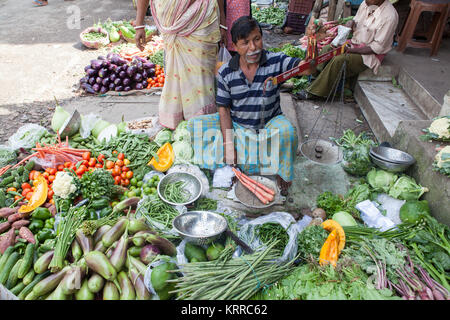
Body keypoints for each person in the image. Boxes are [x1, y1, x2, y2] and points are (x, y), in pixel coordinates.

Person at [187, 16, 314, 195]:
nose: (253, 47)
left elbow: (307, 68)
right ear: (236, 46)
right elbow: (223, 109)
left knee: (288, 132)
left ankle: (282, 172)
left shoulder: (275, 62)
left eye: (257, 39)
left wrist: (312, 42)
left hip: (268, 126)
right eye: (245, 42)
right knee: (195, 126)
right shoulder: (226, 72)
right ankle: (241, 155)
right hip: (238, 125)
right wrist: (229, 144)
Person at [135, 0, 226, 129]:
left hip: (201, 17)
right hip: (170, 21)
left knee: (200, 77)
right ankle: (175, 127)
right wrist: (139, 24)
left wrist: (222, 20)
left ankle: (202, 126)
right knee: (175, 75)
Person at [299, 0, 399, 100]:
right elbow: (356, 20)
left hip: (369, 55)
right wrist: (351, 23)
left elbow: (377, 48)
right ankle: (314, 80)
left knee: (339, 60)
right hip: (354, 44)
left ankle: (314, 93)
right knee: (327, 49)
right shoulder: (366, 3)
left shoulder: (389, 16)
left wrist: (349, 50)